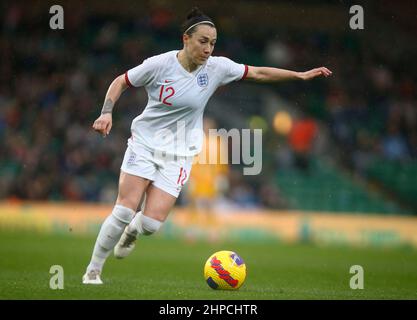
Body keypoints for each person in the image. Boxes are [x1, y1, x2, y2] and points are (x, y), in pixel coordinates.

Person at [82, 7, 332, 284]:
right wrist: (106, 111)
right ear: (186, 39)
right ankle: (93, 270)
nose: (208, 49)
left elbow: (258, 73)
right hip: (145, 143)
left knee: (151, 225)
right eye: (203, 41)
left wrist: (298, 76)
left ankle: (133, 232)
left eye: (212, 43)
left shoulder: (217, 68)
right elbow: (121, 82)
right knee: (124, 209)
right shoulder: (159, 64)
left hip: (180, 153)